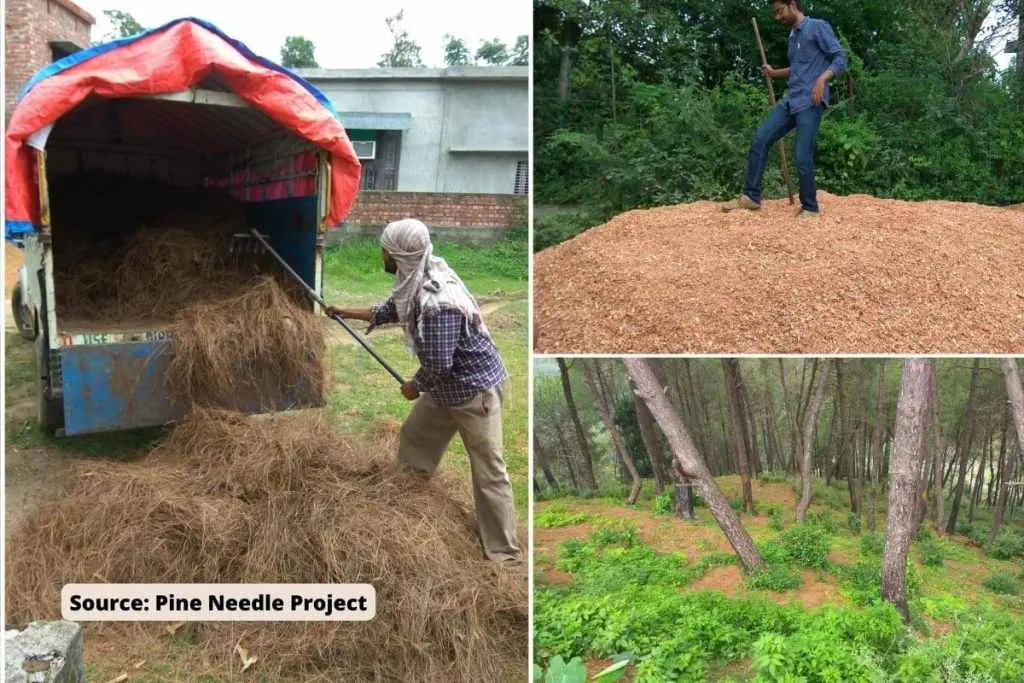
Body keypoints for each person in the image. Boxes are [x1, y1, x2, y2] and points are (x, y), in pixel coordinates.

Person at [327, 219, 521, 566]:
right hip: (445, 389)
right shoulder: (420, 271)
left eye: (385, 249)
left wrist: (414, 386)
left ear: (398, 254)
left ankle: (504, 554)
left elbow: (437, 365)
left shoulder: (438, 304)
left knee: (489, 472)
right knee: (414, 440)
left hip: (475, 394)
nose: (382, 253)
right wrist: (346, 312)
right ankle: (408, 507)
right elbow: (393, 309)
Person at [721, 0, 846, 217]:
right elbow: (797, 69)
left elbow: (840, 57)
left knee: (801, 154)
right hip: (791, 100)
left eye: (779, 11)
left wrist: (822, 80)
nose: (778, 17)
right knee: (761, 139)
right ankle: (751, 196)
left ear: (793, 4)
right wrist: (773, 73)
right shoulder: (793, 36)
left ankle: (810, 207)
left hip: (811, 100)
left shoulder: (817, 26)